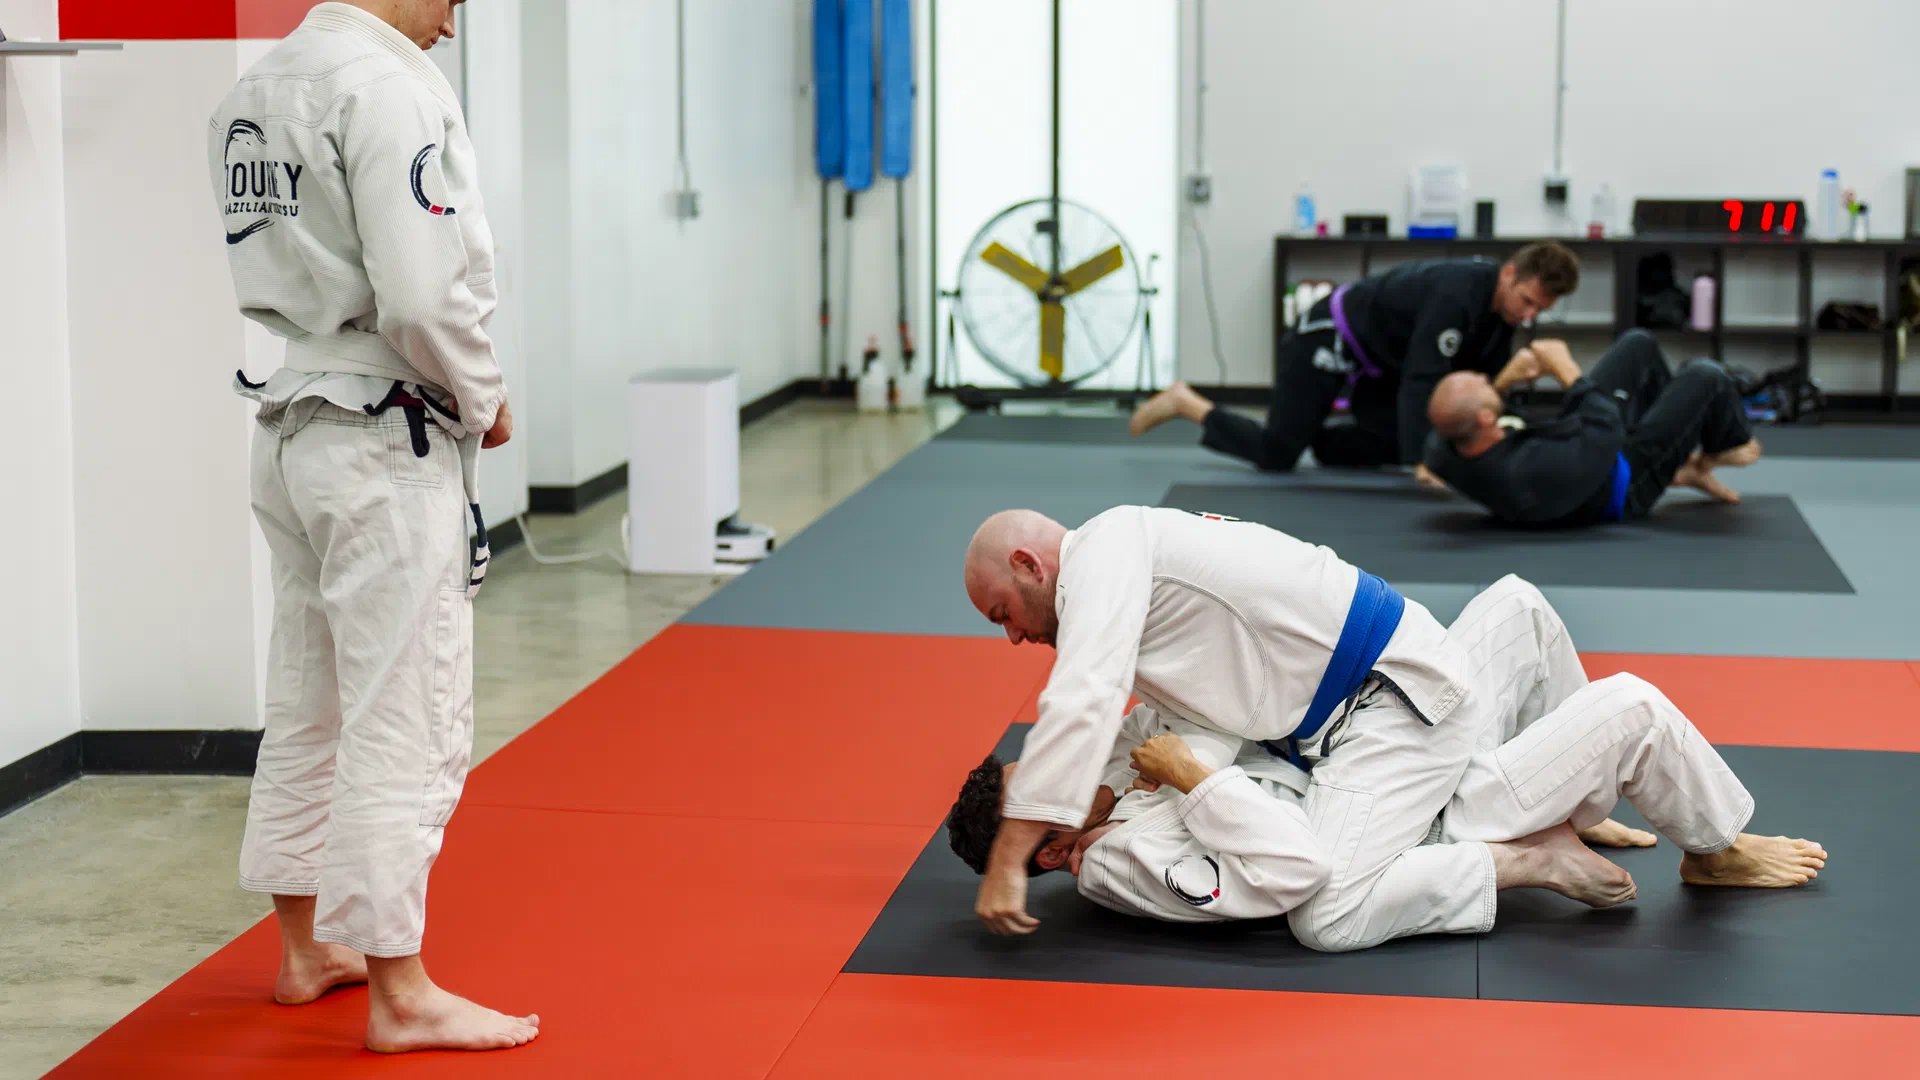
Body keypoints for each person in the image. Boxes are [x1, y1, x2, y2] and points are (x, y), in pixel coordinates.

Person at [208, 0, 537, 1054]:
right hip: (381, 433)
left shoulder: (257, 88)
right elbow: (424, 295)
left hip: (294, 422)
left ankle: (307, 950)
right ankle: (402, 990)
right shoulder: (385, 88)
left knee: (309, 697)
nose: (450, 24)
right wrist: (485, 397)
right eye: (451, 1)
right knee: (408, 711)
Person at [948, 576, 1825, 931]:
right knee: (1629, 708)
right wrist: (1196, 776)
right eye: (1049, 793)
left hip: (1374, 742)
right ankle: (1712, 850)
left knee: (1517, 608)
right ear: (1051, 852)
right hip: (1408, 814)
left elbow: (1172, 715)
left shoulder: (1106, 785)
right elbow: (1290, 868)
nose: (1068, 771)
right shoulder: (1124, 864)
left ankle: (1572, 807)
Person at [1128, 244, 1581, 483]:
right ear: (1509, 274)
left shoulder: (1503, 316)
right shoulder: (1457, 293)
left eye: (1539, 310)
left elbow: (1478, 388)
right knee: (1278, 454)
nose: (1529, 316)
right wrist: (1421, 464)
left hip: (1380, 365)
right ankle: (1186, 402)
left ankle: (1323, 440)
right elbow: (1423, 381)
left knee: (1387, 437)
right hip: (1330, 336)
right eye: (1527, 301)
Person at [1424, 329, 1763, 526]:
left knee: (1638, 345)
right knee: (1706, 376)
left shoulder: (1449, 448)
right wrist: (1566, 370)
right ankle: (1722, 448)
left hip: (1587, 448)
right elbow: (1605, 428)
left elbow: (1447, 421)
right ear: (1485, 418)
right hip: (1625, 481)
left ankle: (1678, 460)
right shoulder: (1524, 471)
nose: (1485, 377)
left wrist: (1503, 383)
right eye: (1481, 383)